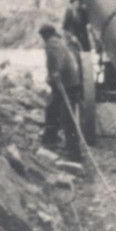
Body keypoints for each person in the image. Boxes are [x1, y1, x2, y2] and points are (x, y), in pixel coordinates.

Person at [39, 24, 83, 162]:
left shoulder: (52, 45)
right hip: (68, 84)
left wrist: (55, 74)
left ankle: (74, 154)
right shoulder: (58, 42)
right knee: (52, 109)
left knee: (67, 118)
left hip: (66, 86)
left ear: (45, 35)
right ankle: (51, 139)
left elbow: (56, 61)